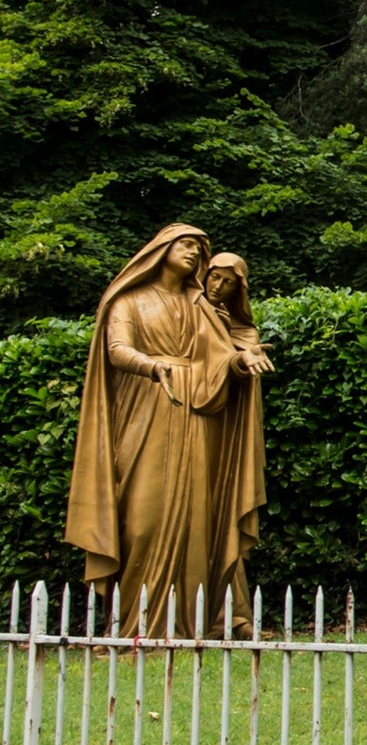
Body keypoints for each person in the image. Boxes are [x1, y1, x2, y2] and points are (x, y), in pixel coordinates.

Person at [65, 226, 269, 637]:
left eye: (201, 249)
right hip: (145, 413)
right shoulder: (129, 300)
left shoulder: (203, 306)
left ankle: (200, 620)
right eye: (187, 245)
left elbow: (220, 354)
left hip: (197, 417)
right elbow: (116, 349)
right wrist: (153, 366)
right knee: (142, 519)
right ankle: (134, 625)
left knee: (202, 517)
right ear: (161, 249)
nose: (195, 253)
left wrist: (239, 363)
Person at [202, 252, 272, 632]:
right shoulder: (189, 314)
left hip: (221, 438)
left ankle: (230, 611)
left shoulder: (240, 328)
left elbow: (244, 351)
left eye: (229, 283)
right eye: (214, 277)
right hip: (182, 426)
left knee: (222, 516)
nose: (218, 287)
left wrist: (241, 355)